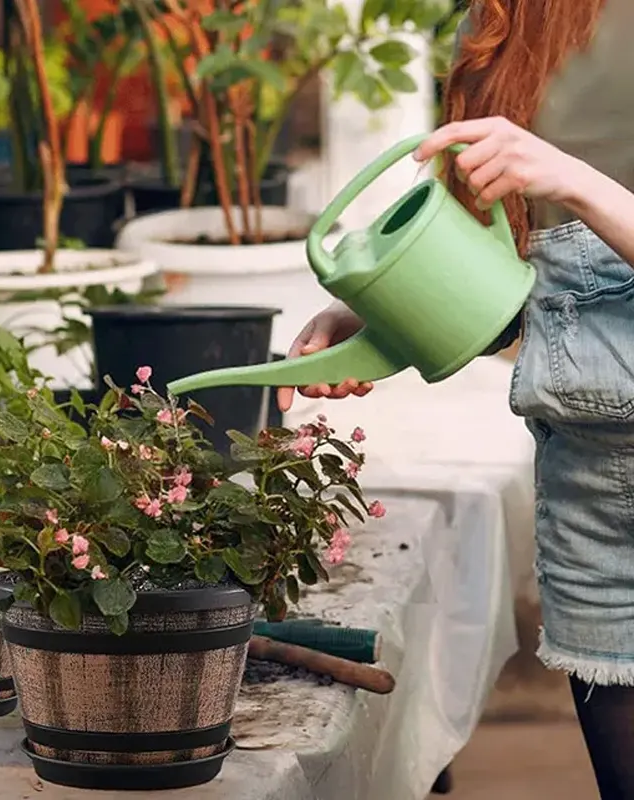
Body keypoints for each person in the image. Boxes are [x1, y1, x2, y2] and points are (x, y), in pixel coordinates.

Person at [278, 1, 634, 797]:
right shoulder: (502, 23)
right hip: (596, 498)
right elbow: (529, 296)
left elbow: (567, 193)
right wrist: (386, 320)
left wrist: (573, 181)